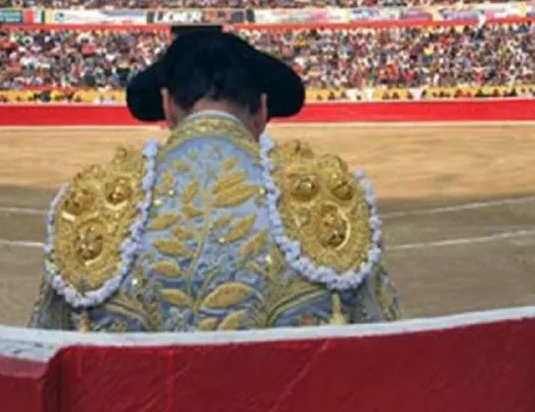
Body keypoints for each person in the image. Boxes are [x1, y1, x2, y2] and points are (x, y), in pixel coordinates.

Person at [28, 28, 400, 332]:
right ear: (262, 110)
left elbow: (43, 347)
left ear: (167, 106)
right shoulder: (329, 199)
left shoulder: (96, 205)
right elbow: (381, 347)